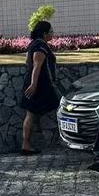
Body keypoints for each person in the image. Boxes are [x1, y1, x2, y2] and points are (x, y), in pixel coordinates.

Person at [20, 20, 60, 155]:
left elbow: (27, 62)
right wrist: (33, 85)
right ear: (44, 34)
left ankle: (26, 144)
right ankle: (26, 144)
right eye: (51, 32)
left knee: (31, 114)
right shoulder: (40, 47)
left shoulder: (34, 44)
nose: (52, 34)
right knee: (58, 108)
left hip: (39, 85)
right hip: (41, 86)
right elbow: (37, 66)